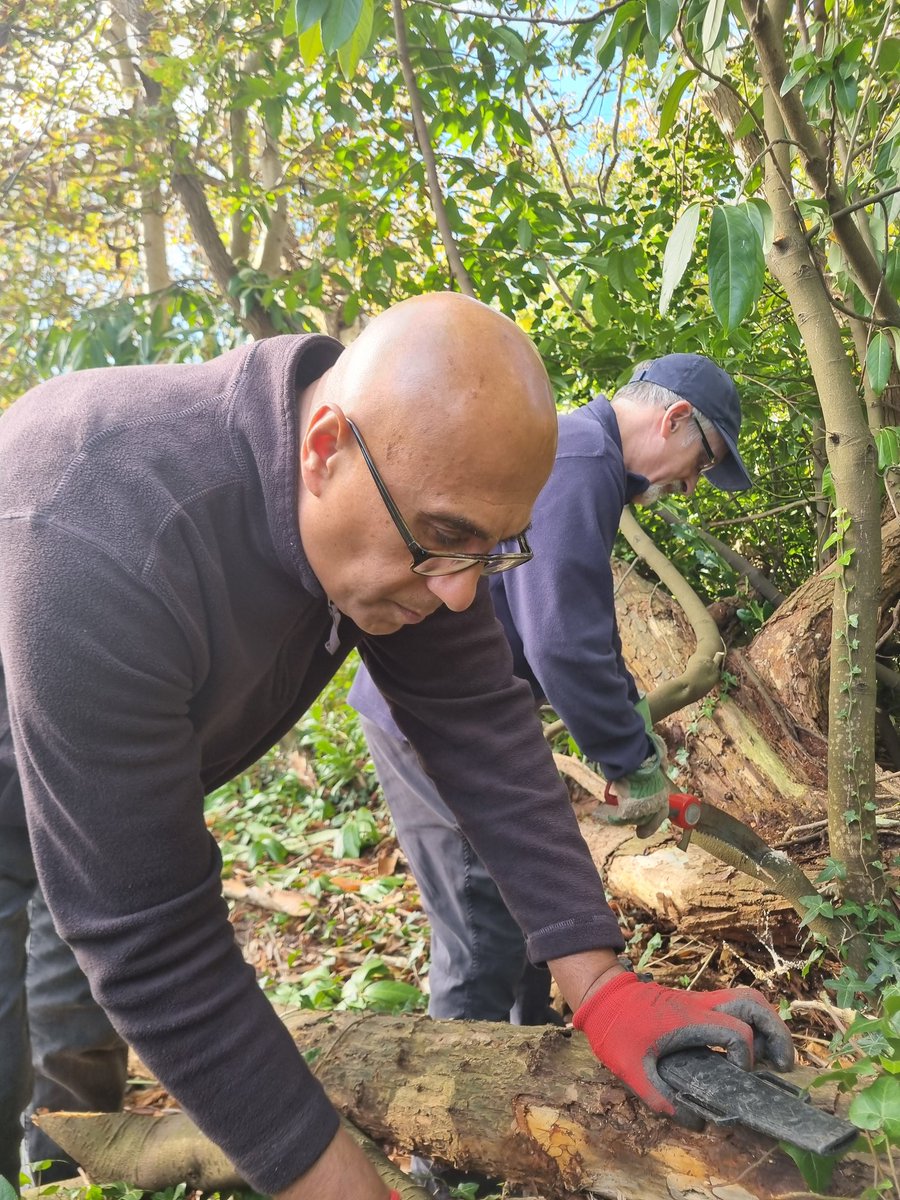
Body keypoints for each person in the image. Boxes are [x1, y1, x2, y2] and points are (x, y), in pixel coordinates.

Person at [0, 301, 791, 1200]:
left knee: (72, 1012)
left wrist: (601, 984)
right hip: (18, 770)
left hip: (106, 785)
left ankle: (65, 1163)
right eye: (448, 542)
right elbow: (152, 938)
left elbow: (484, 726)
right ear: (322, 447)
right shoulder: (97, 522)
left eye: (490, 554)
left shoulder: (408, 490)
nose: (460, 597)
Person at [349, 353, 752, 1029]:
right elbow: (563, 642)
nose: (691, 484)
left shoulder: (582, 458)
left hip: (472, 716)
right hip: (431, 715)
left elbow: (576, 626)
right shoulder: (579, 458)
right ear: (675, 417)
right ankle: (446, 1125)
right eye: (704, 460)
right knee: (484, 932)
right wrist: (629, 759)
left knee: (526, 901)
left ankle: (530, 1061)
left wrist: (630, 729)